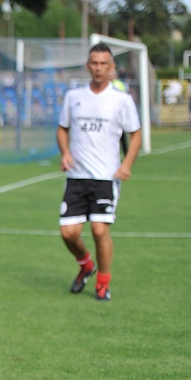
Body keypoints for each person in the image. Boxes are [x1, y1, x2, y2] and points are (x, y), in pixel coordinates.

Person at [57, 42, 141, 302]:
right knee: (68, 233)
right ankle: (86, 265)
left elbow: (135, 134)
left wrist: (126, 164)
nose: (98, 68)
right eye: (94, 63)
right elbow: (63, 128)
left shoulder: (122, 100)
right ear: (87, 66)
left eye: (104, 64)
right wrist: (66, 153)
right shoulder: (74, 97)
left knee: (99, 231)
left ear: (112, 67)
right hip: (77, 176)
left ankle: (103, 283)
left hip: (106, 177)